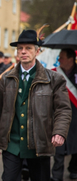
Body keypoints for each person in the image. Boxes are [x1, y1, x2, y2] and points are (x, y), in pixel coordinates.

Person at [0, 30, 72, 181]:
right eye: (20, 48)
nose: (23, 52)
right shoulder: (6, 78)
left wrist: (59, 132)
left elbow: (63, 109)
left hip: (40, 144)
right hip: (12, 145)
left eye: (28, 48)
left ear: (37, 51)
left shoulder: (54, 79)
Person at [51, 48, 77, 181]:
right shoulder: (54, 73)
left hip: (76, 115)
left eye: (61, 57)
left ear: (71, 59)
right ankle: (56, 176)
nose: (59, 60)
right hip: (60, 114)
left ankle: (74, 169)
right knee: (59, 146)